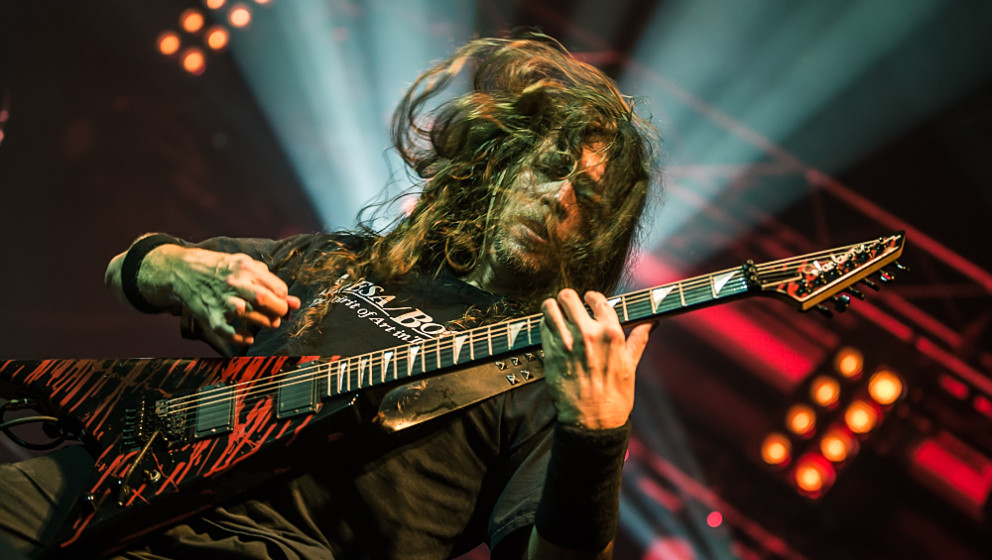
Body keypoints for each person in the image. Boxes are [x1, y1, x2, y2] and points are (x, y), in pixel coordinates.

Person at [1, 33, 659, 559]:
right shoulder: (346, 258)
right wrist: (171, 266)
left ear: (595, 236)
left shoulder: (546, 374)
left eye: (586, 196)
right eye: (549, 168)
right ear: (502, 166)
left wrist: (595, 436)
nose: (559, 197)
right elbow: (124, 271)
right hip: (125, 485)